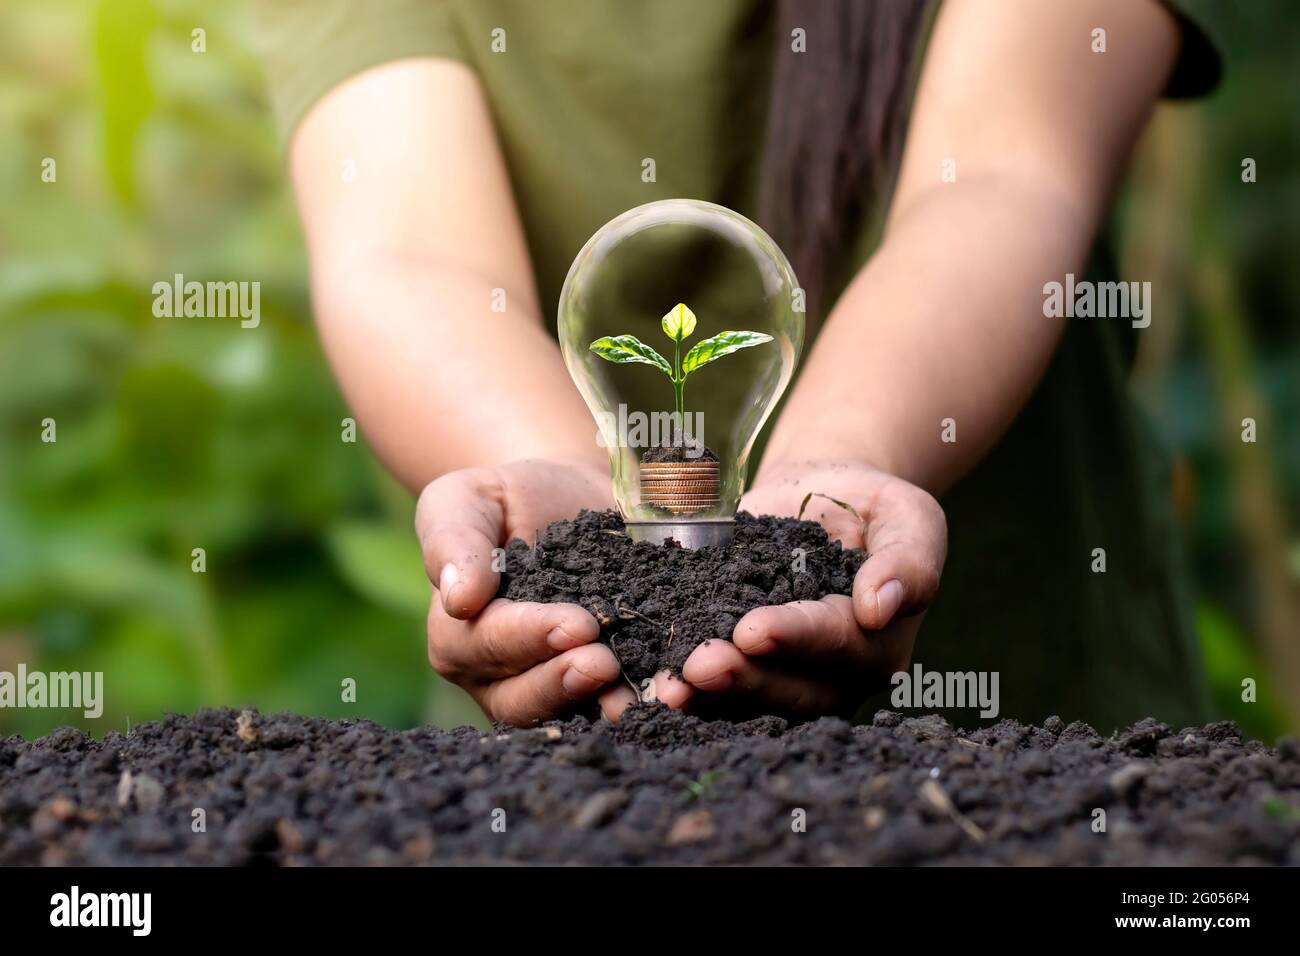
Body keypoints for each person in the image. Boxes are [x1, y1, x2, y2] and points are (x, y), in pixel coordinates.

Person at [255, 0, 1221, 729]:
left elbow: (1008, 175)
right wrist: (571, 509)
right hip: (581, 773)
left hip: (1039, 750)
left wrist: (836, 470)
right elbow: (410, 254)